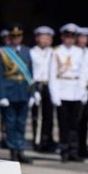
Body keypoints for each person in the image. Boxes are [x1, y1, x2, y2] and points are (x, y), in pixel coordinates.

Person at [0, 23, 35, 163]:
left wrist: (32, 93)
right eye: (13, 37)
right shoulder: (2, 52)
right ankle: (12, 151)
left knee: (22, 123)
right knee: (10, 123)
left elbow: (30, 73)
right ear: (9, 38)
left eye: (18, 36)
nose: (16, 39)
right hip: (9, 92)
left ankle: (20, 150)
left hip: (23, 91)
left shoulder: (26, 51)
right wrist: (2, 95)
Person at [49, 23, 88, 162]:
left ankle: (74, 151)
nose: (69, 39)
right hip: (62, 90)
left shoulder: (79, 52)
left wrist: (83, 91)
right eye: (67, 37)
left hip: (75, 90)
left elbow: (83, 72)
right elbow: (52, 74)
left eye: (72, 37)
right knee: (63, 124)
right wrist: (55, 95)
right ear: (62, 37)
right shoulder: (56, 51)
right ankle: (64, 151)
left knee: (75, 124)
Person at [30, 25, 56, 153]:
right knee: (36, 115)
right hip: (37, 84)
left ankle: (47, 139)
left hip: (49, 84)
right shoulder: (32, 52)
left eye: (48, 38)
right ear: (37, 38)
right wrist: (32, 91)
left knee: (49, 115)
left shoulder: (53, 52)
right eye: (43, 37)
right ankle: (37, 140)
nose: (45, 40)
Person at [76, 26, 88, 158]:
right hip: (75, 88)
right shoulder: (73, 51)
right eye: (81, 37)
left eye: (86, 37)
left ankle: (83, 147)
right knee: (75, 120)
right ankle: (75, 147)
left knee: (85, 119)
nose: (84, 40)